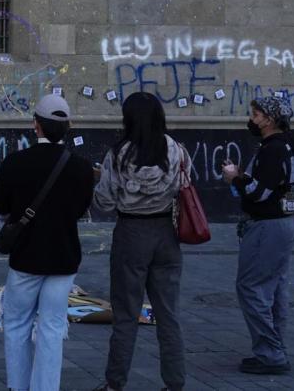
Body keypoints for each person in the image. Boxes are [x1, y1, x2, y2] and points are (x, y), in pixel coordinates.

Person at [0, 94, 94, 391]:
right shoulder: (82, 168)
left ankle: (17, 386)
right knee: (52, 328)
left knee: (16, 324)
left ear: (36, 125)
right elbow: (79, 210)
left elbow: (1, 205)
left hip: (26, 256)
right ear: (67, 127)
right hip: (63, 257)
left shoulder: (15, 162)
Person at [92, 92, 191, 391]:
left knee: (125, 314)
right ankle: (174, 383)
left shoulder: (119, 154)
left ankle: (115, 383)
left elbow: (105, 202)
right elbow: (185, 188)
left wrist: (97, 181)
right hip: (165, 233)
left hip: (131, 233)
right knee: (168, 314)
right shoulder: (175, 150)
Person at [221, 96, 294, 376]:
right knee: (275, 287)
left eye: (256, 114)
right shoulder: (288, 145)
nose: (252, 119)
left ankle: (270, 352)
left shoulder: (273, 149)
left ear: (269, 119)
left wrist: (235, 177)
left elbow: (260, 192)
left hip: (267, 225)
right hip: (282, 222)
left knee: (251, 287)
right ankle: (274, 349)